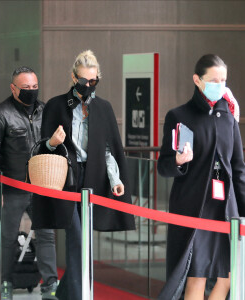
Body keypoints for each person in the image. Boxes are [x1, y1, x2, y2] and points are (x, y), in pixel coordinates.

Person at [32, 50, 136, 300]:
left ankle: (68, 291)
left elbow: (109, 149)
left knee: (84, 241)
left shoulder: (103, 108)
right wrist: (52, 142)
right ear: (73, 77)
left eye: (93, 81)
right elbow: (41, 148)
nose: (88, 86)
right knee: (77, 239)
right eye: (83, 81)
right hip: (64, 179)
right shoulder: (57, 105)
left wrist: (116, 179)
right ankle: (79, 296)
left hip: (93, 179)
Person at [157, 54, 245, 300]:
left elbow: (238, 168)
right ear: (197, 80)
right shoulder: (179, 116)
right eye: (213, 80)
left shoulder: (229, 118)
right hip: (194, 209)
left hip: (226, 210)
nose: (220, 85)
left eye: (224, 80)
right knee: (196, 276)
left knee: (229, 276)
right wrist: (178, 161)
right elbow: (163, 166)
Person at [0, 66, 58, 300]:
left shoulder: (45, 110)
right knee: (8, 237)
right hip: (12, 187)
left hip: (41, 185)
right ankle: (5, 281)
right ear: (13, 88)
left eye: (35, 87)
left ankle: (51, 283)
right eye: (26, 88)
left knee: (46, 235)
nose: (31, 91)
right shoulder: (0, 113)